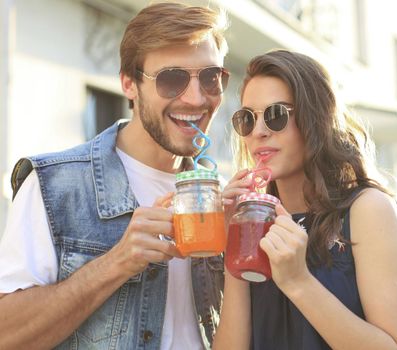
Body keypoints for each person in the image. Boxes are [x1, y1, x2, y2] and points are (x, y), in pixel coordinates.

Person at [0, 2, 229, 349]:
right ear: (129, 84)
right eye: (172, 79)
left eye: (211, 78)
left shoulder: (221, 196)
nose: (196, 98)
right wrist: (116, 263)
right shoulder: (54, 185)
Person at [214, 50, 397, 350]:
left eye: (275, 115)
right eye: (247, 119)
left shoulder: (367, 210)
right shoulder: (255, 220)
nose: (258, 132)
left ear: (314, 118)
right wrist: (233, 243)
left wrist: (298, 281)